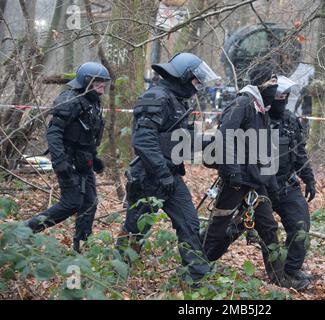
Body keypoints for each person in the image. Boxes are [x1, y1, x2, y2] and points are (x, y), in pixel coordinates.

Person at [116, 52, 220, 285]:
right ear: (183, 76)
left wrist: (211, 141)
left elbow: (180, 140)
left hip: (170, 176)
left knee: (190, 223)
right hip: (148, 176)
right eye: (195, 80)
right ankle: (117, 274)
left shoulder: (177, 100)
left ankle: (197, 278)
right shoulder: (156, 97)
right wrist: (162, 174)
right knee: (135, 229)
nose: (197, 85)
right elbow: (144, 141)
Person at [202, 63, 308, 290]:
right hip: (235, 182)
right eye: (272, 83)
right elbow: (224, 137)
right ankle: (196, 268)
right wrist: (231, 171)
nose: (276, 88)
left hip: (254, 183)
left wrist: (268, 182)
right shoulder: (242, 104)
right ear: (260, 83)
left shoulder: (261, 110)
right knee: (218, 228)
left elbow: (263, 150)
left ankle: (280, 279)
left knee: (269, 229)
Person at [25, 62, 110, 252]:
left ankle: (81, 245)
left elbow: (88, 135)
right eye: (98, 83)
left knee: (89, 202)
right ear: (87, 82)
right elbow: (54, 133)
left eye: (104, 83)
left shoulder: (93, 102)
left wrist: (94, 157)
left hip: (84, 162)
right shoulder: (70, 100)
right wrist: (60, 161)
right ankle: (24, 231)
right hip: (68, 161)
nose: (102, 87)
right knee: (71, 203)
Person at [267, 76, 316, 290]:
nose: (283, 99)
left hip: (286, 185)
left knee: (301, 227)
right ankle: (201, 261)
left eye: (286, 96)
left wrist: (309, 179)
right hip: (257, 187)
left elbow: (299, 153)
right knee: (230, 228)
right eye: (279, 96)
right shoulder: (255, 117)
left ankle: (290, 271)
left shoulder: (289, 120)